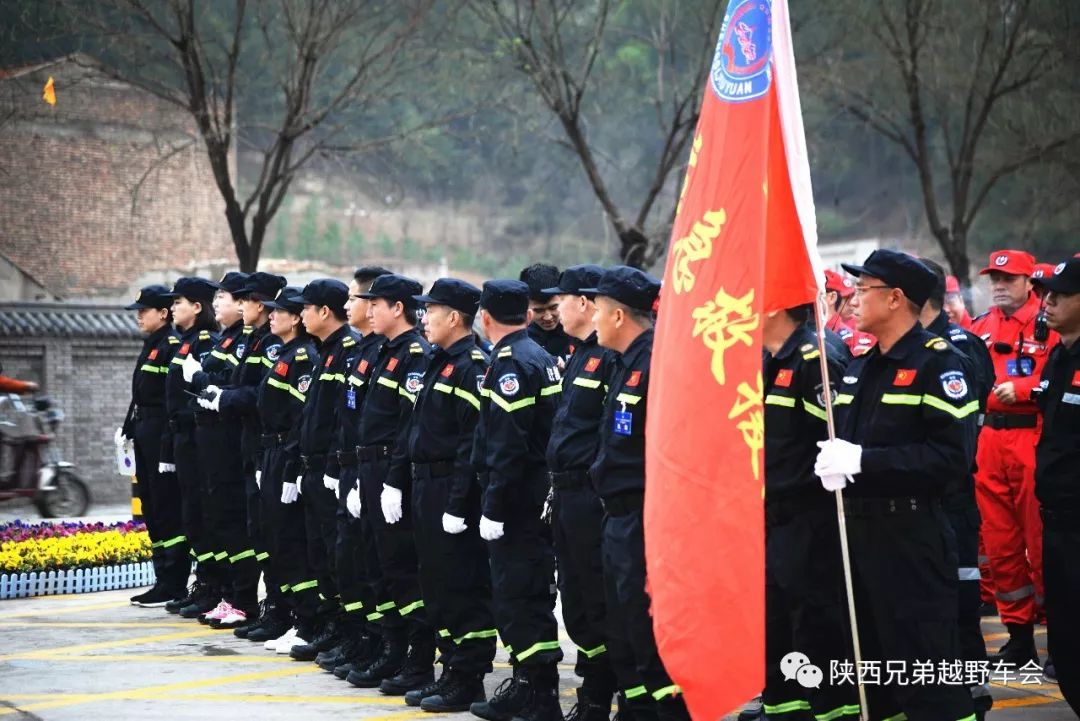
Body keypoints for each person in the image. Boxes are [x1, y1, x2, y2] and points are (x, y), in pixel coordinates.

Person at [814, 249, 977, 721]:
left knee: (926, 672)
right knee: (877, 677)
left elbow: (951, 459)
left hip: (912, 535)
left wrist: (866, 461)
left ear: (896, 299)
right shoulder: (865, 366)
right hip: (862, 536)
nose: (854, 299)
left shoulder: (938, 364)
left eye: (864, 290)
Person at [587, 266, 690, 721]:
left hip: (646, 521)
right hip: (618, 518)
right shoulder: (625, 363)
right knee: (623, 628)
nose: (592, 320)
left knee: (650, 629)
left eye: (598, 311)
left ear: (617, 317)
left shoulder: (656, 365)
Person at [470, 279, 564, 721]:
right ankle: (530, 683)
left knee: (519, 595)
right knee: (524, 594)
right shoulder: (537, 356)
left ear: (484, 317)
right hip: (531, 496)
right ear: (526, 315)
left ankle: (538, 692)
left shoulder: (511, 363)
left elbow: (507, 445)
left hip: (518, 501)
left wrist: (493, 506)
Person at [403, 278, 496, 712]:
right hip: (426, 485)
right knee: (436, 584)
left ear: (454, 317)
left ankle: (468, 676)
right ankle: (450, 669)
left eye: (432, 311)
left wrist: (459, 504)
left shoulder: (470, 365)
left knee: (462, 587)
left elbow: (470, 445)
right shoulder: (440, 361)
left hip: (449, 490)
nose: (424, 318)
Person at [760, 303, 857, 721]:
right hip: (771, 518)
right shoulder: (768, 358)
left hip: (811, 520)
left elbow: (839, 439)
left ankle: (834, 712)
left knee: (818, 630)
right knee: (776, 629)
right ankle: (786, 710)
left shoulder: (816, 360)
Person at [542, 264, 626, 721]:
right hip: (567, 496)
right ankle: (593, 691)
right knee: (576, 602)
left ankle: (604, 692)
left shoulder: (610, 358)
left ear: (588, 303)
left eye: (565, 300)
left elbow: (609, 434)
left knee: (600, 598)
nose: (558, 308)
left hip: (592, 498)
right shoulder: (579, 354)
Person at [344, 274, 434, 693]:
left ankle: (416, 657)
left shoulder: (414, 353)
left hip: (390, 470)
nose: (368, 310)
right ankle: (391, 646)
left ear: (398, 307)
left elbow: (406, 425)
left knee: (401, 568)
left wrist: (393, 481)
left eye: (375, 303)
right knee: (376, 565)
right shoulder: (384, 350)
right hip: (369, 468)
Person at [970, 250, 1059, 664]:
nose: (999, 286)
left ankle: (1059, 639)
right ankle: (1019, 638)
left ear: (1029, 283)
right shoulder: (980, 328)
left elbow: (1061, 375)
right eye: (994, 278)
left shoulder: (1050, 326)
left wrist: (1024, 389)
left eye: (1008, 279)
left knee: (1041, 542)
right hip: (989, 440)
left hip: (1032, 437)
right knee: (1000, 543)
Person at [918, 259, 995, 718]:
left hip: (952, 497)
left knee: (961, 602)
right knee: (928, 609)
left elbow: (961, 434)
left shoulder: (958, 350)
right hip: (924, 506)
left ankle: (973, 692)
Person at [198, 271, 289, 632]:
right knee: (238, 526)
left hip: (260, 447)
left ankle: (252, 601)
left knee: (260, 533)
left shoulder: (268, 345)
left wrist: (223, 396)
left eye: (246, 299)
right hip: (241, 444)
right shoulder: (250, 340)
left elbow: (260, 398)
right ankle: (239, 598)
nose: (240, 304)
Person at [318, 266, 392, 678]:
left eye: (354, 299)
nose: (347, 306)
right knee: (351, 559)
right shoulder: (363, 351)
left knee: (377, 564)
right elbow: (342, 420)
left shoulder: (396, 354)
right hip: (352, 467)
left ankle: (390, 647)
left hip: (376, 470)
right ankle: (363, 638)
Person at [283, 278, 359, 655]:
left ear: (324, 312)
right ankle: (331, 624)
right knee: (319, 554)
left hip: (333, 472)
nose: (301, 316)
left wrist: (332, 466)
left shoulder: (347, 350)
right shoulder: (325, 350)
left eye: (306, 309)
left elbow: (343, 420)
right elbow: (312, 416)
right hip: (312, 468)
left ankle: (347, 630)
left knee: (338, 555)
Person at [183, 271, 260, 628]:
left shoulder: (251, 343)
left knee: (234, 524)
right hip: (211, 441)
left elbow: (233, 389)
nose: (221, 305)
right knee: (218, 523)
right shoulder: (231, 339)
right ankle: (227, 593)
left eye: (226, 299)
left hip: (231, 442)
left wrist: (199, 379)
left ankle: (241, 598)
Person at [249, 287, 319, 648]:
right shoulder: (286, 355)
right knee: (275, 539)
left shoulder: (303, 357)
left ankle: (306, 620)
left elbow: (298, 419)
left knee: (292, 543)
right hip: (272, 454)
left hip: (286, 454)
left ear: (296, 319)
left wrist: (290, 468)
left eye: (281, 312)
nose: (271, 316)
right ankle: (293, 615)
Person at [1032, 257, 1080, 713]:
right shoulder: (1059, 355)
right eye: (1047, 292)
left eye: (1061, 294)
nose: (1048, 302)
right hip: (1057, 523)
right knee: (1064, 641)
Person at [121, 284, 188, 607]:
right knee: (150, 507)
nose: (139, 317)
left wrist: (165, 445)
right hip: (144, 432)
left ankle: (173, 583)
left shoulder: (170, 345)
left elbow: (170, 399)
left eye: (143, 311)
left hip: (161, 436)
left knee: (166, 509)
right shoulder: (151, 345)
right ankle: (161, 579)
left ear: (163, 313)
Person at [160, 277, 221, 619]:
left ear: (198, 307)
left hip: (199, 439)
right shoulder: (184, 342)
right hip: (183, 438)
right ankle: (204, 585)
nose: (173, 308)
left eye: (179, 302)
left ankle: (213, 587)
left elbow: (201, 395)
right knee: (192, 517)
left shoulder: (205, 343)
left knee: (204, 515)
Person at [520, 264, 573, 363]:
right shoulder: (521, 341)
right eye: (539, 310)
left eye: (553, 307)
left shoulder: (578, 334)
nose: (548, 317)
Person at [824, 269, 875, 357]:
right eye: (846, 298)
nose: (852, 303)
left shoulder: (862, 328)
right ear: (831, 298)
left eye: (853, 296)